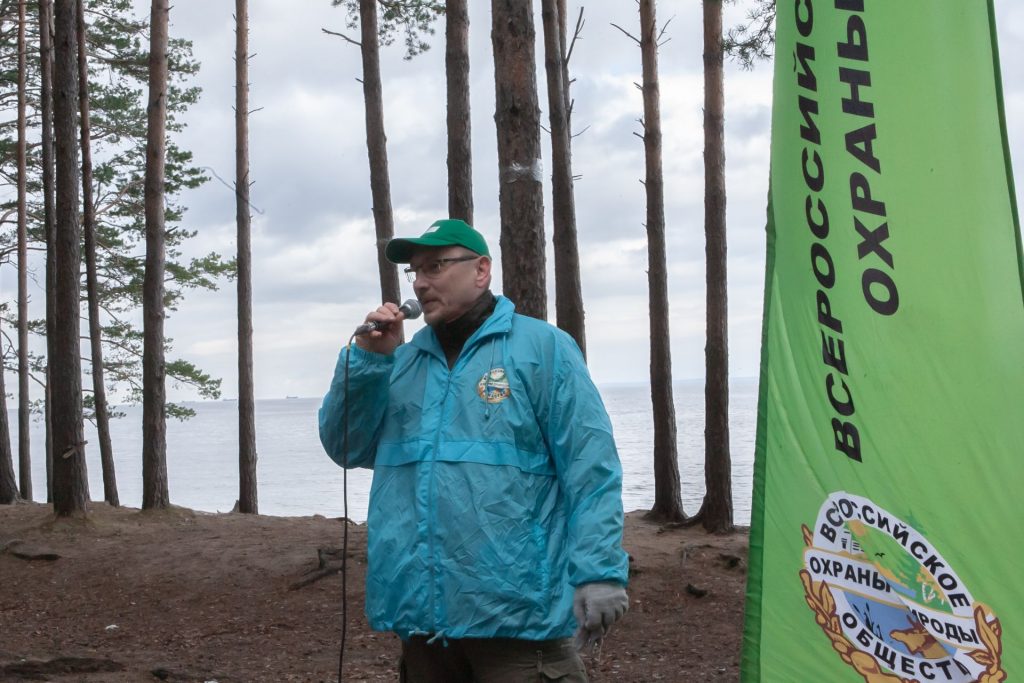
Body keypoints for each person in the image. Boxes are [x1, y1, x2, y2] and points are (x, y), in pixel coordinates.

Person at [319, 218, 629, 682]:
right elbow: (347, 447)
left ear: (481, 270)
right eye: (415, 271)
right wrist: (368, 363)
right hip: (424, 627)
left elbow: (590, 467)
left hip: (520, 625)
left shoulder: (543, 349)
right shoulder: (399, 364)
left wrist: (600, 571)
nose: (421, 282)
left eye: (436, 266)